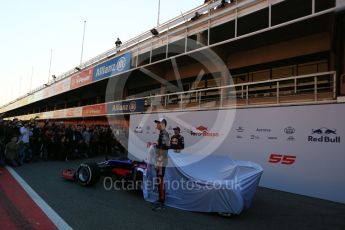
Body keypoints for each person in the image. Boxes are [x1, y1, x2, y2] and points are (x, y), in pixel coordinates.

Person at [152, 118, 169, 211]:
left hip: (161, 162)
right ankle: (160, 199)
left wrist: (159, 162)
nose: (156, 125)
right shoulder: (162, 134)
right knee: (159, 180)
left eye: (158, 123)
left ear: (162, 124)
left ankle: (161, 202)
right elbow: (161, 146)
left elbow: (163, 149)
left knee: (160, 180)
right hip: (161, 161)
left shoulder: (164, 134)